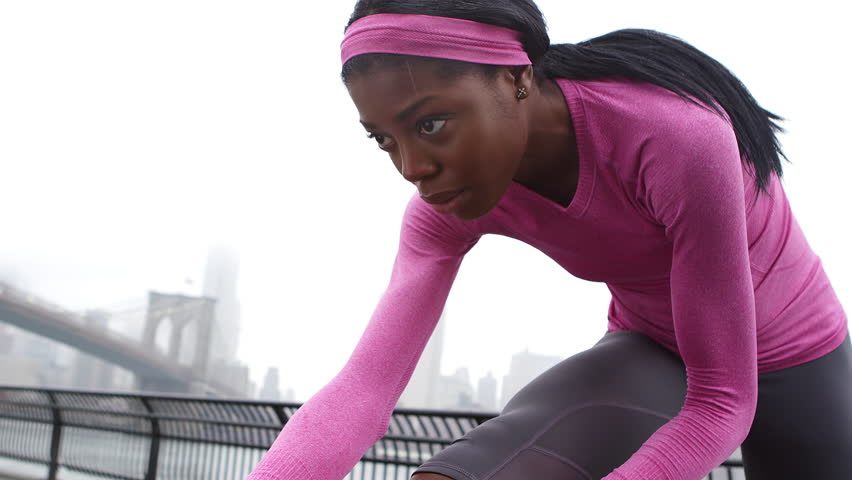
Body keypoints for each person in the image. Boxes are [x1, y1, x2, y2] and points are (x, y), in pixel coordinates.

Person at [247, 1, 851, 479]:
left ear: (515, 77)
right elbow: (364, 389)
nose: (411, 166)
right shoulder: (444, 205)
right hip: (652, 348)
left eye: (431, 124)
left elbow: (722, 401)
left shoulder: (676, 137)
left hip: (799, 355)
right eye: (385, 140)